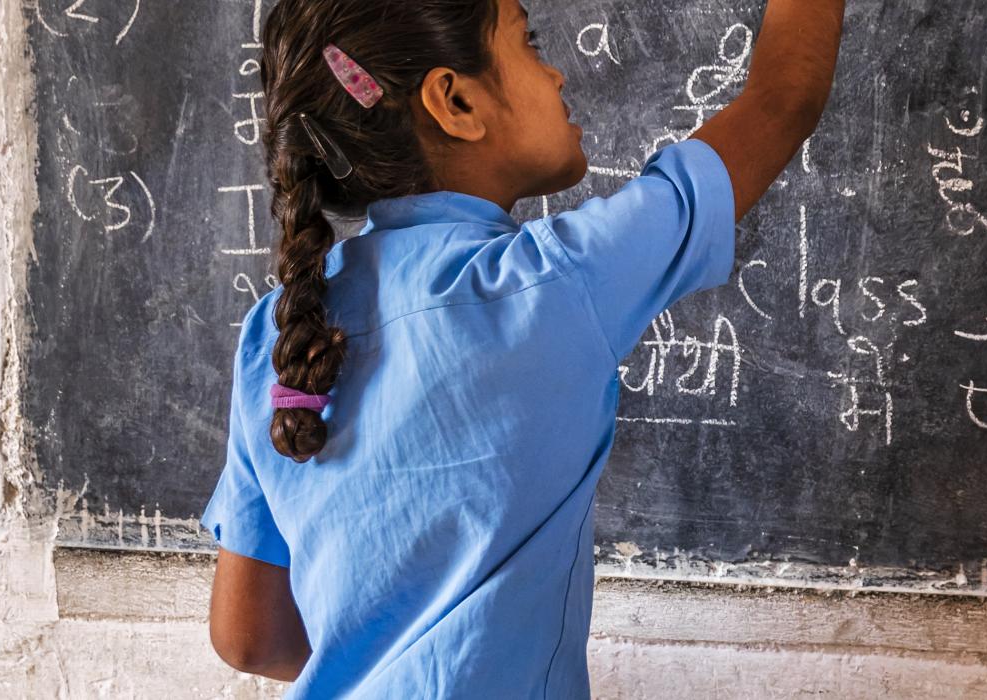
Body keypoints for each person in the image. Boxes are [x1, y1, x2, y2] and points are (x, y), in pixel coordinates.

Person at [198, 0, 844, 695]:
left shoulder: (278, 332)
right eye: (528, 44)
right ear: (455, 100)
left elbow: (250, 637)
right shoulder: (549, 284)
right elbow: (781, 102)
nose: (559, 74)